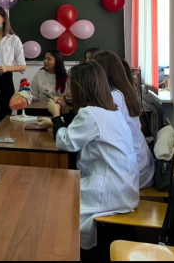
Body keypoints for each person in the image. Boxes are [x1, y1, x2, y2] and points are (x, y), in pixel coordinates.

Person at [38, 61, 139, 250]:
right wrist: (60, 119)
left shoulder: (90, 113)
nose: (69, 91)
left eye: (71, 86)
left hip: (110, 191)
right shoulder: (111, 109)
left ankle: (61, 250)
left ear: (81, 87)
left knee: (56, 200)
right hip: (125, 187)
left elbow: (66, 142)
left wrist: (56, 115)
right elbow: (82, 132)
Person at [94, 51, 155, 189]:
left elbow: (97, 130)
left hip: (132, 173)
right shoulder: (124, 92)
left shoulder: (114, 98)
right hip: (140, 164)